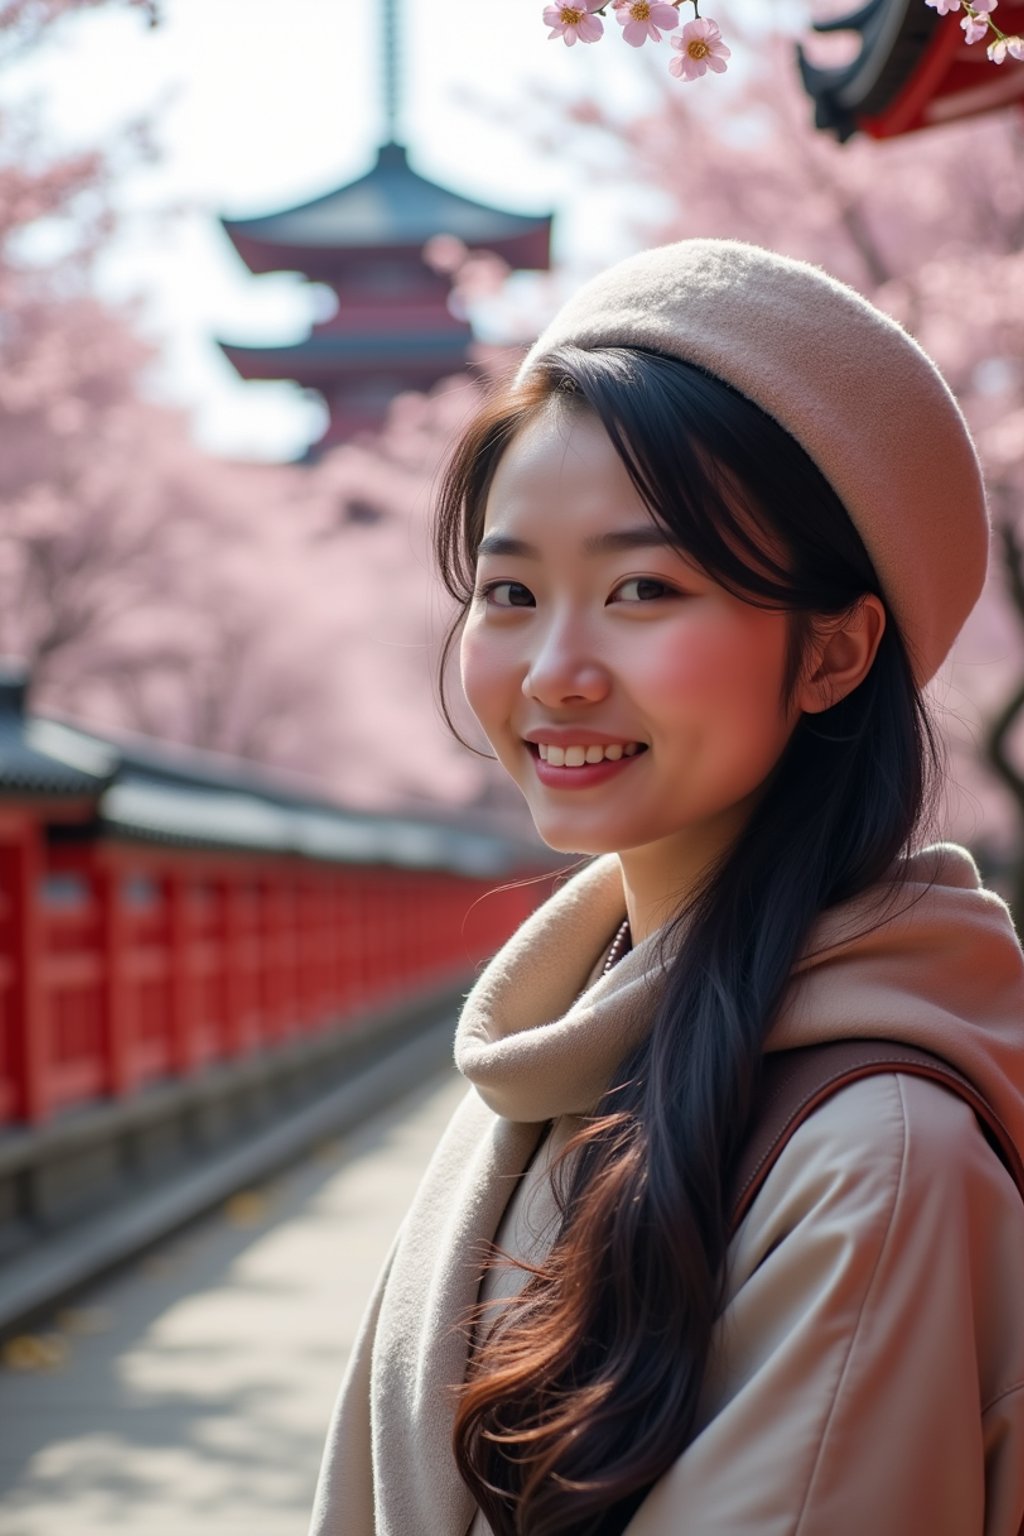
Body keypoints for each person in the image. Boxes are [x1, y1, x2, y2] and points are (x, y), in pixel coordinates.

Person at [308, 240, 1024, 1536]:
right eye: (512, 590)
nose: (556, 671)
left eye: (644, 588)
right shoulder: (563, 1049)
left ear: (835, 651)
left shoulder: (875, 1164)